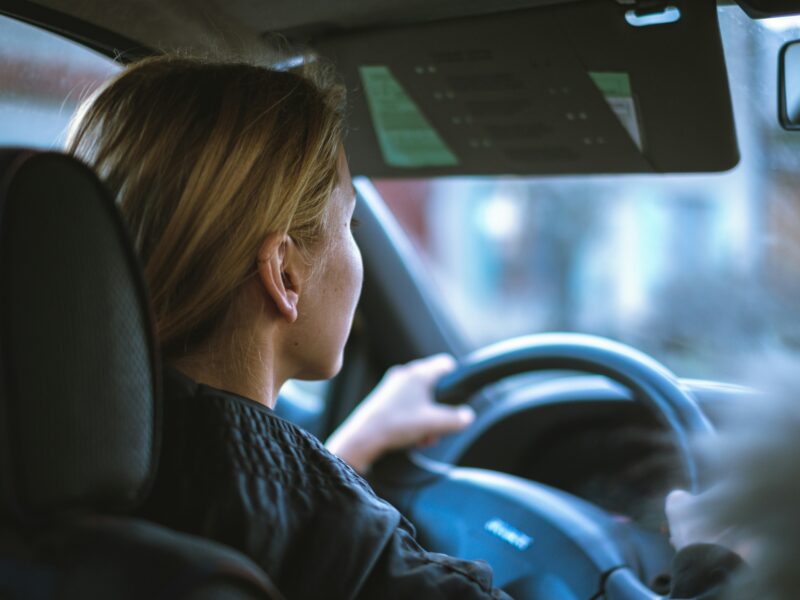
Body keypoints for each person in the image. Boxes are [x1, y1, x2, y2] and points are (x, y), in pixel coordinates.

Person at [67, 56, 741, 599]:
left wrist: (345, 452)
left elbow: (250, 501)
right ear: (285, 275)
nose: (354, 250)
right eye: (348, 223)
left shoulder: (67, 455)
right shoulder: (337, 543)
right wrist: (712, 565)